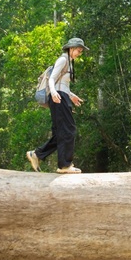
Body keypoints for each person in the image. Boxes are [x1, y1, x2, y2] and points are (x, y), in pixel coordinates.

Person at [26, 37, 88, 174]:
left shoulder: (70, 62)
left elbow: (63, 84)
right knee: (69, 129)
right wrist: (53, 92)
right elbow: (52, 78)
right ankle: (64, 165)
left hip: (62, 96)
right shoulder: (63, 60)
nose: (79, 53)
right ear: (71, 48)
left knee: (61, 132)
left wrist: (71, 95)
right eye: (78, 50)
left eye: (81, 51)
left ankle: (36, 155)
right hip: (58, 98)